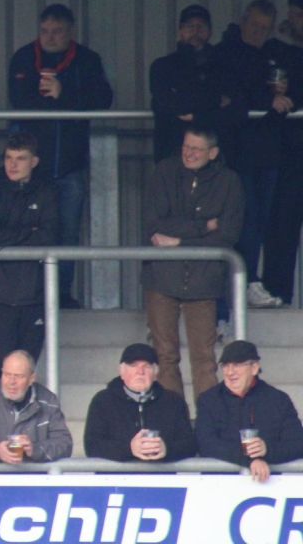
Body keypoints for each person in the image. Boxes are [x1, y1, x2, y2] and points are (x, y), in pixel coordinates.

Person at [8, 3, 114, 309]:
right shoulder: (24, 57)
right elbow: (17, 100)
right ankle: (29, 293)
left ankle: (61, 294)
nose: (50, 37)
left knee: (67, 231)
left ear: (70, 32)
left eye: (57, 31)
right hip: (32, 167)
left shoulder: (87, 60)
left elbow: (103, 100)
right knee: (28, 229)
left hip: (70, 164)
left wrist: (63, 92)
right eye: (45, 31)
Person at [142, 128, 243, 401]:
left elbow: (229, 234)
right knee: (164, 355)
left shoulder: (228, 181)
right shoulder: (164, 172)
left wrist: (178, 241)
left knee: (204, 358)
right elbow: (154, 224)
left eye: (197, 149)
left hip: (204, 279)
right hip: (162, 276)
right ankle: (173, 419)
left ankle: (209, 421)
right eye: (186, 147)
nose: (189, 153)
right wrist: (204, 227)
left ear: (213, 153)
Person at [217, 0, 297, 309]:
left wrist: (279, 94)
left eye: (264, 28)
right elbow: (232, 94)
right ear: (243, 21)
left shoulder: (273, 54)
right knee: (246, 221)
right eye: (254, 26)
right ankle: (245, 280)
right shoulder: (226, 52)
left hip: (269, 153)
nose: (258, 32)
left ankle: (252, 280)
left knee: (262, 221)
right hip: (239, 154)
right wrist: (268, 101)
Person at [0, 132, 59, 378]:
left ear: (34, 162)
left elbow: (50, 236)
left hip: (35, 292)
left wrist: (8, 236)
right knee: (2, 368)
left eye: (20, 158)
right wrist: (30, 232)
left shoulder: (47, 191)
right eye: (8, 158)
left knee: (26, 368)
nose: (12, 164)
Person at [148, 4, 244, 164]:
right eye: (190, 26)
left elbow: (237, 110)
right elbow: (167, 104)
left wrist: (195, 114)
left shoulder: (224, 67)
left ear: (210, 31)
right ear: (180, 30)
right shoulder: (162, 66)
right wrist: (215, 101)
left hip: (215, 157)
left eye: (201, 26)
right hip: (173, 153)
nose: (195, 31)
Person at [196, 340, 303, 483]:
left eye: (237, 365)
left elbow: (297, 443)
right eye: (225, 365)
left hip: (268, 487)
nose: (230, 372)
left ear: (254, 368)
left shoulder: (278, 400)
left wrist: (267, 450)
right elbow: (205, 443)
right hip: (219, 485)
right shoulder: (209, 400)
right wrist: (250, 460)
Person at [83, 343, 196, 463]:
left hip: (160, 474)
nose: (140, 372)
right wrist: (129, 448)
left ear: (155, 374)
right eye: (133, 366)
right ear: (122, 372)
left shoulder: (173, 402)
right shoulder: (103, 401)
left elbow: (190, 444)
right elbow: (92, 446)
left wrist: (166, 449)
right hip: (117, 475)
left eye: (146, 367)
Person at [262, 0, 303, 307]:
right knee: (282, 224)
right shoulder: (277, 48)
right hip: (288, 151)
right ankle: (278, 294)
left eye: (299, 15)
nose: (294, 20)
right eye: (292, 14)